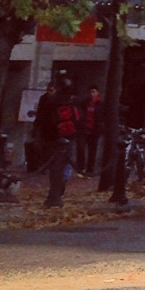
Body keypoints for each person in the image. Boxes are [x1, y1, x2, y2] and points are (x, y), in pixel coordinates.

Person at [42, 78, 82, 208]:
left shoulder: (52, 100)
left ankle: (54, 191)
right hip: (69, 135)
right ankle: (62, 183)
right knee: (67, 161)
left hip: (54, 136)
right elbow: (79, 118)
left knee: (54, 164)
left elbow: (44, 118)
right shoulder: (74, 101)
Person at [76, 88, 102, 175]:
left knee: (92, 150)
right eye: (90, 92)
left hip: (94, 129)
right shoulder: (86, 102)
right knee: (81, 147)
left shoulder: (100, 104)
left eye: (93, 92)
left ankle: (90, 169)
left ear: (97, 93)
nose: (91, 94)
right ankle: (81, 167)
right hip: (84, 128)